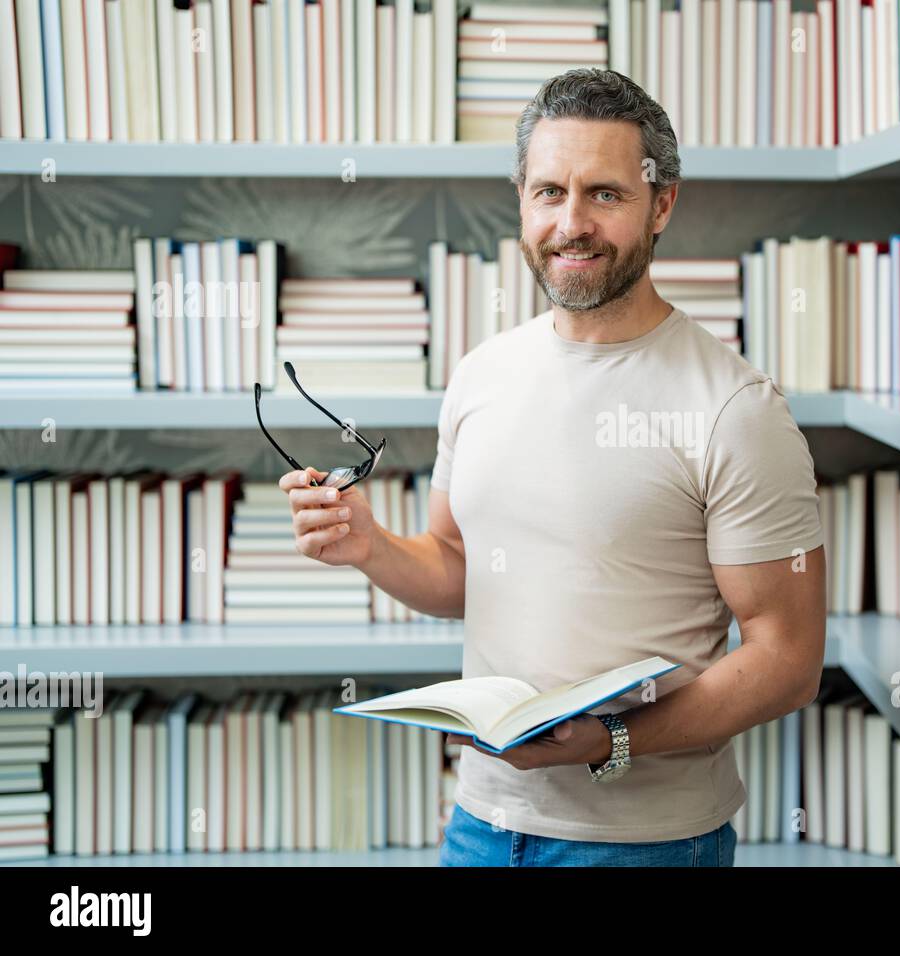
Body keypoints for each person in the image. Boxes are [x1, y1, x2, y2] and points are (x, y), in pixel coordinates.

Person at [279, 68, 826, 867]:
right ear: (522, 202)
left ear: (662, 203)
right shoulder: (480, 374)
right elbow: (461, 566)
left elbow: (787, 661)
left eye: (605, 193)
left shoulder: (735, 408)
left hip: (646, 845)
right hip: (479, 825)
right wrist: (371, 546)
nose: (572, 223)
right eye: (549, 193)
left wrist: (609, 740)